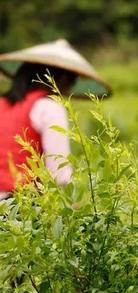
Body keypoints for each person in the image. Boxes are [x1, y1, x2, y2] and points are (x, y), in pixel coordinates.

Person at [0, 39, 111, 200]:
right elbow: (60, 175)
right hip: (16, 206)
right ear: (62, 80)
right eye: (70, 82)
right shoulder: (49, 107)